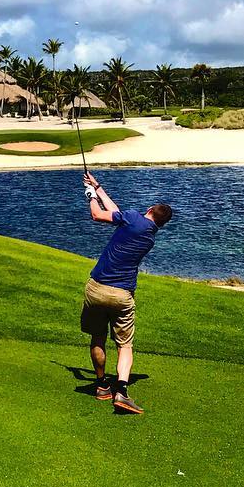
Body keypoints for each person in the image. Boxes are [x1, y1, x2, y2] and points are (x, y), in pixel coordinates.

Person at [80, 170, 173, 414]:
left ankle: (102, 386)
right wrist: (98, 187)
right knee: (125, 345)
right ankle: (121, 389)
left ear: (150, 209)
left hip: (97, 288)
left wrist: (90, 194)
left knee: (98, 338)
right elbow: (117, 213)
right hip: (123, 295)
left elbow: (98, 215)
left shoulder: (133, 218)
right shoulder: (148, 235)